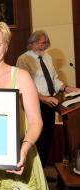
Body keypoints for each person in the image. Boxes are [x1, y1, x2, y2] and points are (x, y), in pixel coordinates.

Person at [0, 19, 48, 189]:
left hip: (20, 159)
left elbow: (36, 122)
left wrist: (24, 150)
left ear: (6, 46)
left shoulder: (21, 77)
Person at [16, 30, 80, 167]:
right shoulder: (23, 59)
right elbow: (25, 86)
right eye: (39, 43)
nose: (42, 46)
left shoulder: (47, 57)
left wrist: (67, 88)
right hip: (35, 104)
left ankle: (43, 172)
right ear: (31, 43)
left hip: (50, 103)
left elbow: (53, 79)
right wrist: (43, 98)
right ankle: (34, 172)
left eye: (44, 43)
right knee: (38, 141)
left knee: (47, 140)